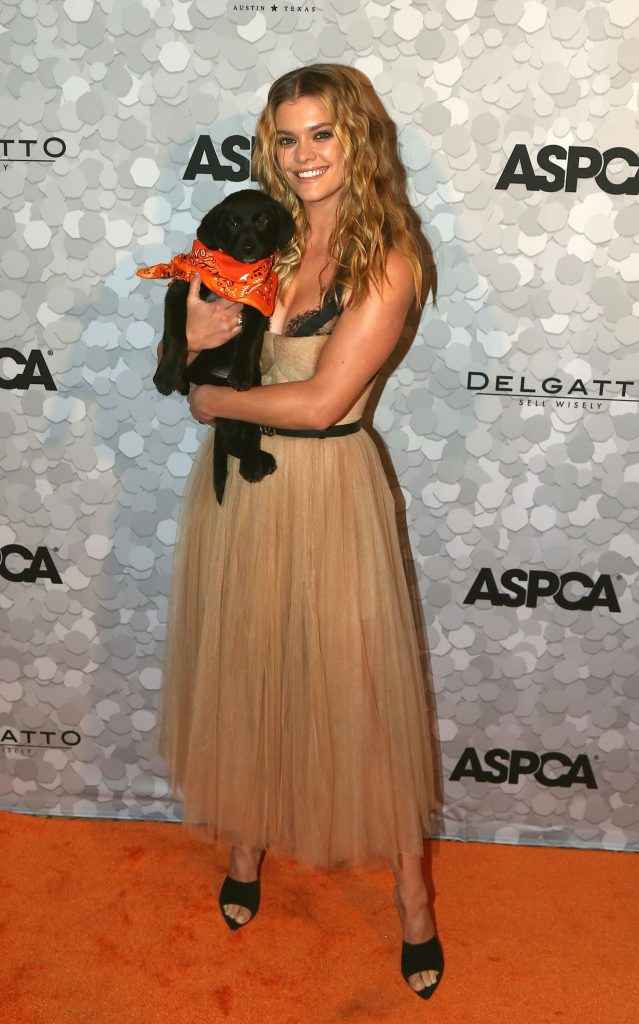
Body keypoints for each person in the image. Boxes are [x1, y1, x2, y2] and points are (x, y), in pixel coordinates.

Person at [153, 63, 443, 1000]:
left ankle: (413, 905)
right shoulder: (260, 237)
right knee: (247, 667)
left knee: (359, 697)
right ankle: (246, 848)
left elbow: (321, 403)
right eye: (286, 137)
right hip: (241, 492)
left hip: (327, 490)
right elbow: (201, 355)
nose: (303, 154)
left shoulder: (388, 258)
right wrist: (194, 340)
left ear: (358, 138)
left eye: (322, 133)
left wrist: (212, 402)